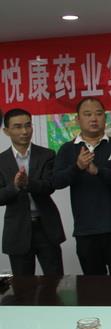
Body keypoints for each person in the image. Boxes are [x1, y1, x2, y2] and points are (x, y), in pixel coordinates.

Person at [53, 98, 111, 275]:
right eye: (87, 114)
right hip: (86, 230)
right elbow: (56, 181)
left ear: (105, 118)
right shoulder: (67, 149)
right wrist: (77, 167)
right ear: (78, 119)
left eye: (98, 114)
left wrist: (98, 171)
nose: (94, 119)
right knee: (93, 286)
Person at [0, 109, 65, 276]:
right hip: (17, 230)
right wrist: (15, 186)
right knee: (22, 286)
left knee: (55, 282)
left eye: (28, 125)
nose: (24, 131)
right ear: (6, 131)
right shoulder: (1, 161)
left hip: (46, 228)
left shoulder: (47, 155)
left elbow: (50, 185)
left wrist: (28, 183)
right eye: (17, 127)